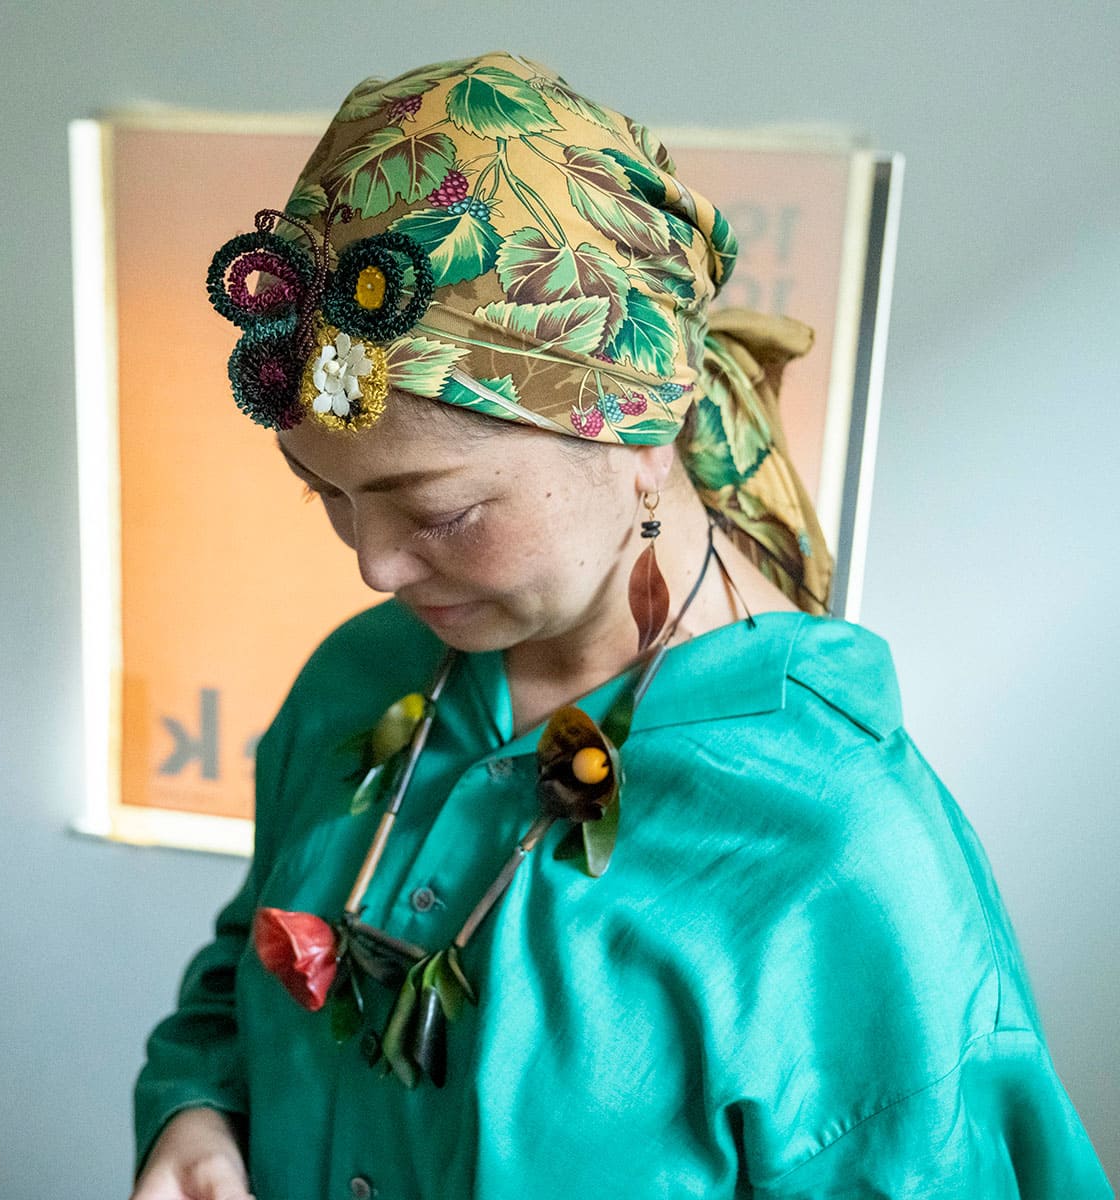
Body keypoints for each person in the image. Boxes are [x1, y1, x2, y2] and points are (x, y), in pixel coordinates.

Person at [131, 52, 1110, 1200]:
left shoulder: (840, 857)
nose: (374, 565)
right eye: (327, 495)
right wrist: (200, 1113)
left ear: (638, 434)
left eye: (439, 511)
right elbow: (240, 973)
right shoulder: (359, 682)